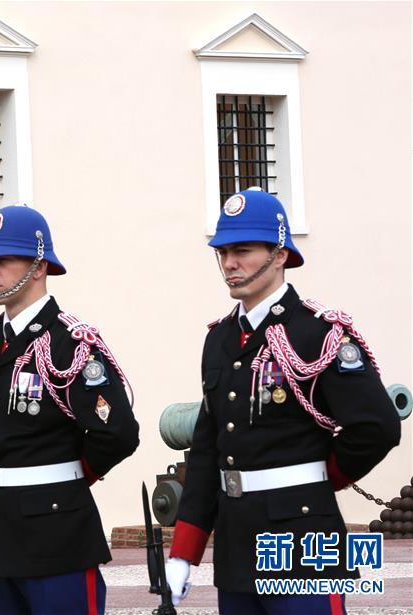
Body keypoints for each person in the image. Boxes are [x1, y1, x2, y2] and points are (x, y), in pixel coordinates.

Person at [165, 188, 401, 615]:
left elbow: (377, 426)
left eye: (243, 250)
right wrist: (185, 550)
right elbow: (206, 449)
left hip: (302, 538)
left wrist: (323, 476)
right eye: (222, 252)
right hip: (237, 544)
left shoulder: (317, 332)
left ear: (279, 254)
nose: (229, 263)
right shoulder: (218, 339)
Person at [0, 205, 140, 614]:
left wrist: (66, 478)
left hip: (56, 532)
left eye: (3, 260)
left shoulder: (70, 343)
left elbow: (117, 433)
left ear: (39, 266)